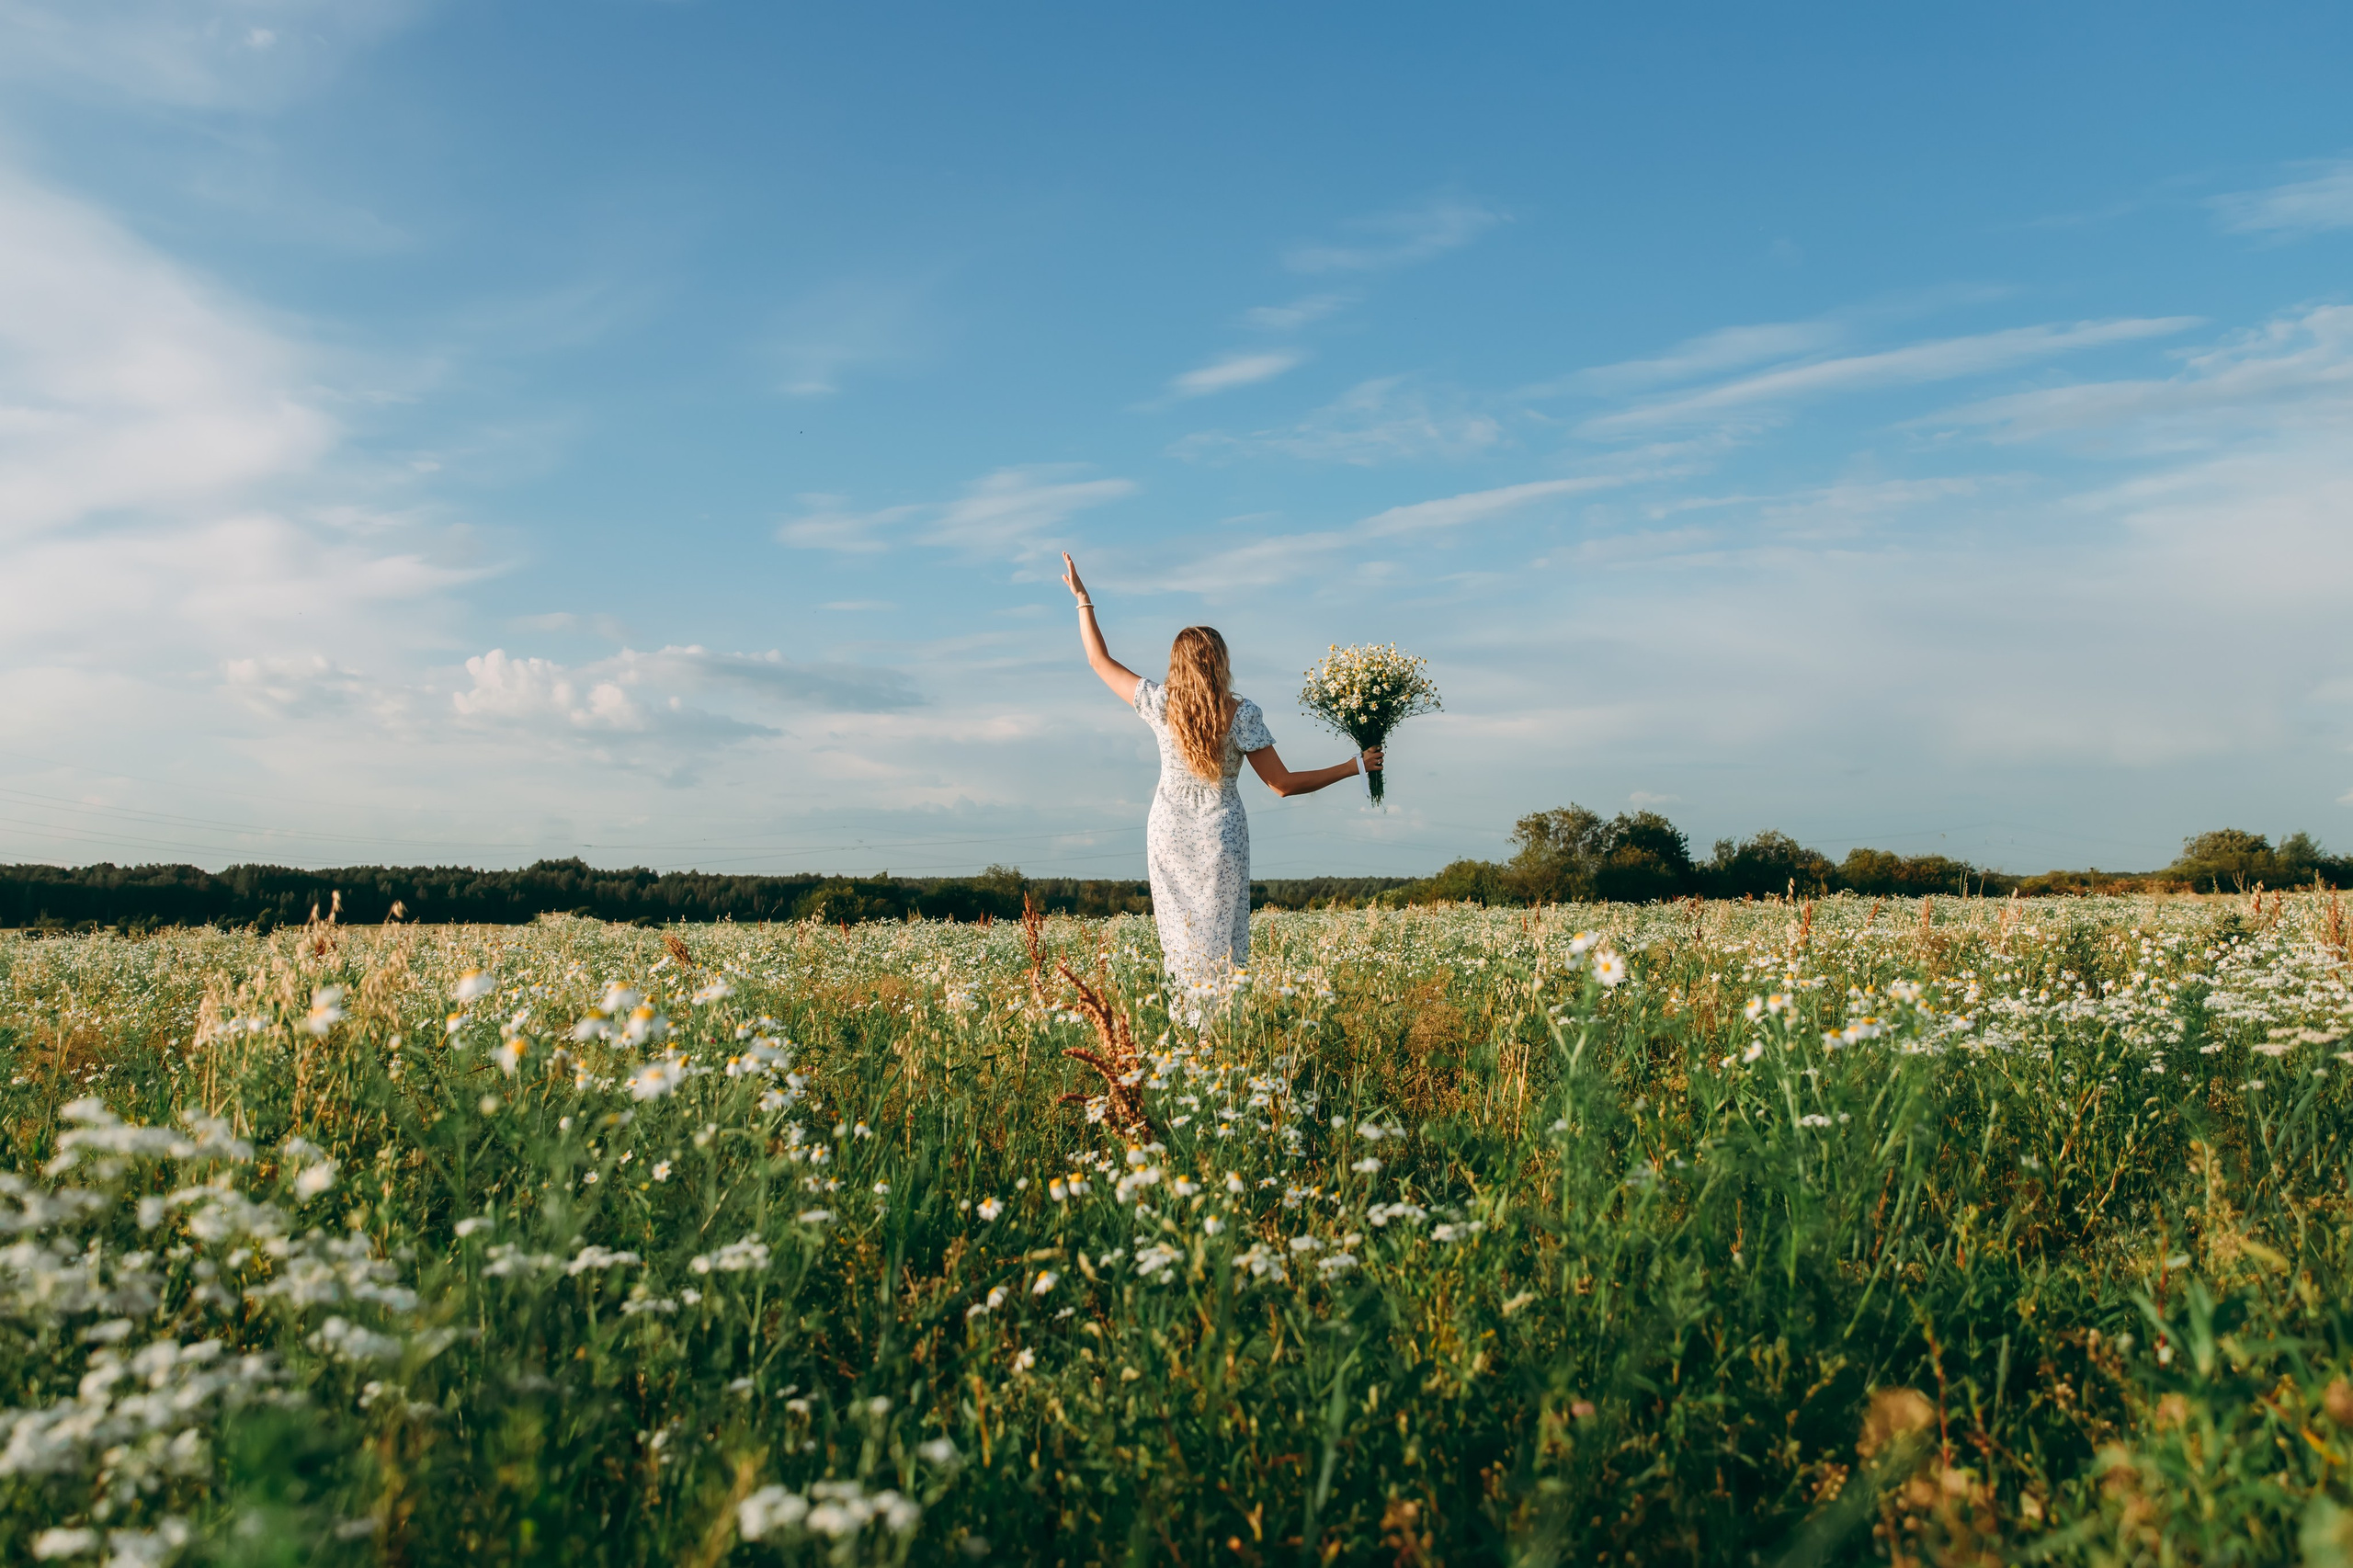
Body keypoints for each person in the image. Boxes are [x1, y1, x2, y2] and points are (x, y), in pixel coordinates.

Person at [1062, 552, 1380, 984]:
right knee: (1222, 941)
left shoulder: (1160, 704)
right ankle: (1222, 1028)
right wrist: (1352, 766)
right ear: (1220, 662)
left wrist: (1084, 601)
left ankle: (1190, 1030)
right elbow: (1282, 785)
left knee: (1182, 941)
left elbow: (1100, 661)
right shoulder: (1241, 714)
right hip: (1221, 832)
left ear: (1178, 664)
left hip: (1168, 830)